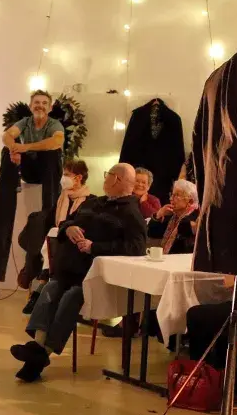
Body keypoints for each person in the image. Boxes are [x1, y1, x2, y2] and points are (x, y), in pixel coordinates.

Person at [11, 163, 145, 381]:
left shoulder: (131, 212)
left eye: (108, 174)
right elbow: (66, 222)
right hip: (70, 269)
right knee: (49, 291)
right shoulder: (94, 202)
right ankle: (37, 349)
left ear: (118, 180)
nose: (104, 178)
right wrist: (69, 228)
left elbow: (136, 248)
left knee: (70, 298)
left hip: (94, 277)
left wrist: (95, 247)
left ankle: (39, 355)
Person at [22, 159, 94, 314]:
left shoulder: (90, 200)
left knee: (52, 237)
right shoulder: (62, 198)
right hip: (55, 243)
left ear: (78, 178)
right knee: (49, 235)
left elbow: (80, 224)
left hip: (73, 245)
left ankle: (39, 290)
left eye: (67, 174)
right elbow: (50, 221)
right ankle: (41, 289)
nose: (63, 178)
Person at [1, 90, 65, 211]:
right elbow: (7, 135)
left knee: (52, 153)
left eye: (44, 103)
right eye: (36, 102)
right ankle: (4, 209)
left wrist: (25, 147)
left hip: (48, 173)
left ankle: (48, 214)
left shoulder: (55, 124)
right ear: (30, 106)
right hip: (29, 170)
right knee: (6, 151)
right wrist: (13, 150)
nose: (40, 106)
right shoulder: (25, 122)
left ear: (50, 108)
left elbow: (57, 141)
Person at [148, 179, 199, 255]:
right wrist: (158, 215)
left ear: (190, 201)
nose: (171, 199)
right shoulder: (172, 215)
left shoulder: (195, 217)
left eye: (177, 195)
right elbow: (152, 233)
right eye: (172, 194)